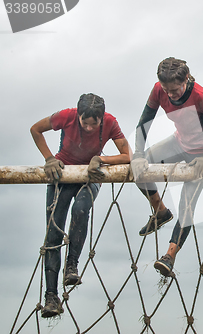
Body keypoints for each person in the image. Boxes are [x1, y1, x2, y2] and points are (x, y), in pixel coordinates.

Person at [30, 93, 130, 318]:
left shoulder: (111, 123)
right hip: (62, 174)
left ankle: (72, 265)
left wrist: (101, 159)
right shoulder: (65, 116)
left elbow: (127, 156)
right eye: (84, 123)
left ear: (101, 120)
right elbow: (35, 129)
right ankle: (51, 297)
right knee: (53, 235)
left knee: (81, 209)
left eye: (93, 125)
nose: (88, 128)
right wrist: (49, 158)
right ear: (78, 116)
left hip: (89, 175)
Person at [131, 57, 203, 277]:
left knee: (187, 206)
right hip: (178, 143)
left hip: (200, 153)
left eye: (175, 90)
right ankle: (161, 211)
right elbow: (144, 122)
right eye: (166, 90)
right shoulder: (158, 90)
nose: (171, 95)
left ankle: (170, 255)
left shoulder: (202, 97)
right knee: (138, 172)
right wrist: (137, 154)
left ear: (187, 79)